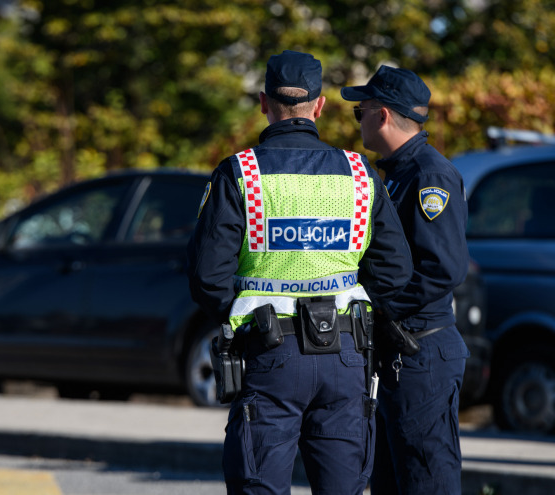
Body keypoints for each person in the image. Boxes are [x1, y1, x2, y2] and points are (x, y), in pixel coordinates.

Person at [187, 50, 412, 495]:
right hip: (346, 356)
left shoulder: (240, 174)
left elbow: (206, 278)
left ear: (264, 102)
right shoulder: (359, 173)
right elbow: (395, 271)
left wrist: (240, 314)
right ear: (320, 104)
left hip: (270, 354)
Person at [341, 65, 471, 494]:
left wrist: (380, 309)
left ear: (381, 115)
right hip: (402, 353)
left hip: (421, 351)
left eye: (359, 111)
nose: (357, 120)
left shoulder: (428, 176)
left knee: (426, 482)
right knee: (392, 482)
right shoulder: (397, 173)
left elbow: (442, 268)